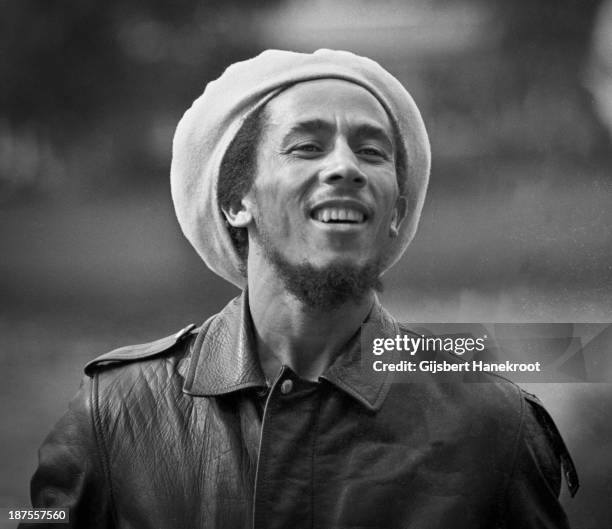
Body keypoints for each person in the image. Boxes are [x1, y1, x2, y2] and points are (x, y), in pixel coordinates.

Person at [22, 49, 578, 529]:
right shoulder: (114, 409)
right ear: (236, 202)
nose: (345, 166)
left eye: (372, 151)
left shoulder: (494, 426)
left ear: (395, 213)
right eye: (307, 147)